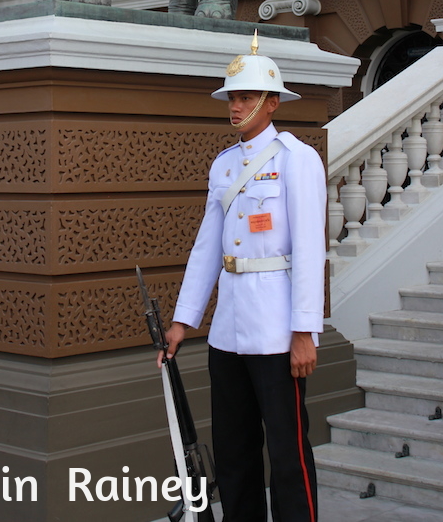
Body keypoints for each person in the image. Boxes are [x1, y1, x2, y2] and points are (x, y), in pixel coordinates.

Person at [158, 31, 326, 522]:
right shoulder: (225, 165)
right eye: (233, 97)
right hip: (228, 332)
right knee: (234, 455)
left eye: (247, 97)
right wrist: (182, 323)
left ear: (272, 103)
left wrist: (304, 332)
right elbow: (207, 250)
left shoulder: (297, 159)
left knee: (288, 456)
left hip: (277, 332)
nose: (236, 106)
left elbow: (311, 250)